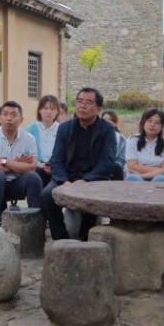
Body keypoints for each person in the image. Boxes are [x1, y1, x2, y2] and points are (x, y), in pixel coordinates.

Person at [37, 88, 117, 241]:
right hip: (67, 177)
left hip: (93, 178)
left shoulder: (107, 129)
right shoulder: (65, 128)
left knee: (91, 197)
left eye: (88, 102)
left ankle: (84, 238)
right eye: (79, 101)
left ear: (98, 109)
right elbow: (56, 159)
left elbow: (107, 161)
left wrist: (86, 180)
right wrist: (64, 181)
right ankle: (61, 238)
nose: (82, 106)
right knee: (47, 196)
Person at [0, 101, 43, 224]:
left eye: (14, 115)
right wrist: (18, 164)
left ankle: (35, 223)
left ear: (21, 119)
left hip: (17, 182)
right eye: (5, 114)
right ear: (0, 118)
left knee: (34, 178)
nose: (9, 118)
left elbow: (31, 167)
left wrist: (4, 161)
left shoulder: (29, 139)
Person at [125, 109, 164, 182]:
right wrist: (161, 170)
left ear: (162, 127)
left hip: (157, 177)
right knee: (132, 178)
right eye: (149, 121)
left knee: (161, 179)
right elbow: (132, 166)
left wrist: (143, 175)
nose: (152, 125)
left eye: (157, 123)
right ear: (143, 123)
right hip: (136, 176)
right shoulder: (133, 140)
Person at [25, 95, 61, 186]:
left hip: (56, 168)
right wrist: (40, 165)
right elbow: (26, 153)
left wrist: (53, 166)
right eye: (45, 108)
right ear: (39, 110)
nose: (49, 112)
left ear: (57, 111)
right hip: (36, 167)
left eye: (52, 109)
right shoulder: (31, 129)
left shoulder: (61, 129)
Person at [101, 110, 127, 180]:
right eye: (104, 120)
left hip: (115, 167)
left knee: (116, 167)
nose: (107, 122)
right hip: (99, 165)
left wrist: (114, 165)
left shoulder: (121, 139)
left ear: (115, 123)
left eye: (110, 120)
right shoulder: (96, 137)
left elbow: (122, 157)